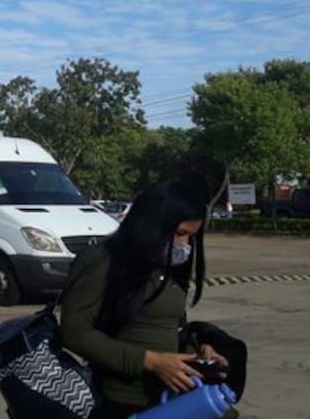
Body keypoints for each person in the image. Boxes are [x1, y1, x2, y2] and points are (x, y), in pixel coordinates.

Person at [60, 177, 234, 419]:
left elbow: (169, 328)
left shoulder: (166, 268)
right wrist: (152, 362)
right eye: (180, 233)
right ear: (152, 224)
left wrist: (198, 350)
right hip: (121, 404)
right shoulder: (102, 260)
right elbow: (74, 332)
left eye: (191, 237)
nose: (185, 245)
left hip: (171, 401)